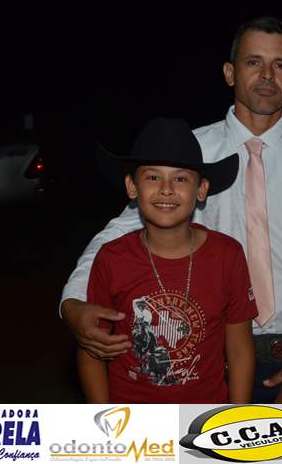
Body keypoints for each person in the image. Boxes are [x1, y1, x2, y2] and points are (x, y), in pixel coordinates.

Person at [61, 16, 282, 404]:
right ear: (229, 73)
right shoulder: (191, 152)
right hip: (212, 361)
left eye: (280, 65)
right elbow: (120, 232)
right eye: (253, 62)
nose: (267, 75)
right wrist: (73, 302)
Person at [78, 118, 257, 403]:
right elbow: (91, 351)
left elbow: (239, 350)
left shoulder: (227, 255)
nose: (166, 189)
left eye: (181, 179)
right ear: (132, 186)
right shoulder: (112, 259)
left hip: (206, 414)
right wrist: (104, 421)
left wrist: (236, 419)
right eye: (152, 177)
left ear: (201, 189)